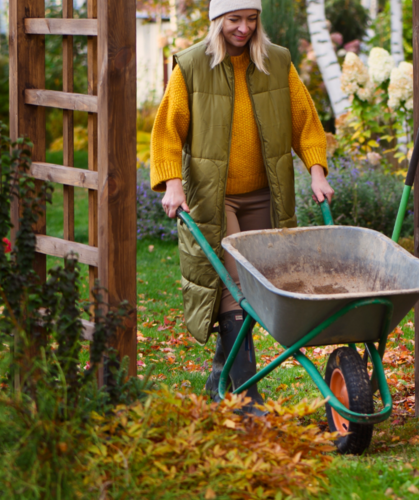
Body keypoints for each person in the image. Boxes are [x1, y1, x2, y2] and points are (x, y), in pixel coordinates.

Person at [150, 0, 334, 411]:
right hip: (217, 198)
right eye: (235, 20)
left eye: (252, 20)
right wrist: (173, 186)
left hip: (266, 193)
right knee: (238, 291)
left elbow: (305, 123)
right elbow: (167, 132)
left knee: (257, 287)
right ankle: (247, 397)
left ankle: (220, 381)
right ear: (217, 20)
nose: (244, 28)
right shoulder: (193, 66)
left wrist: (317, 173)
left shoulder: (277, 62)